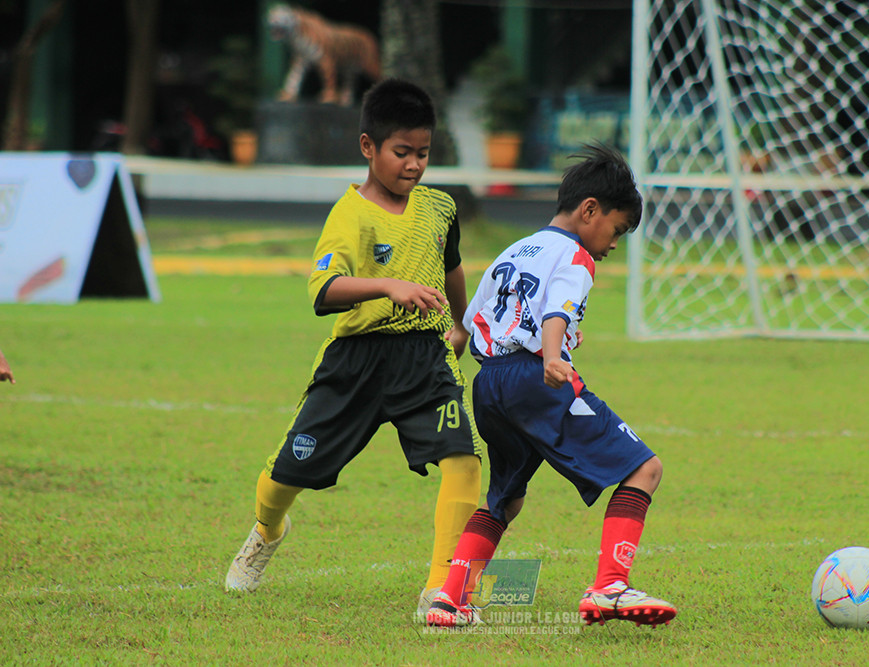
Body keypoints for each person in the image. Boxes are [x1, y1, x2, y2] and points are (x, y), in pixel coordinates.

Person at [225, 79, 483, 623]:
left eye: (423, 153)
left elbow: (452, 266)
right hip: (356, 362)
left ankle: (443, 591)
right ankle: (267, 530)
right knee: (286, 475)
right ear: (369, 146)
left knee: (462, 458)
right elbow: (323, 291)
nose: (414, 165)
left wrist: (461, 324)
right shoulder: (350, 214)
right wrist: (388, 285)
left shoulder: (440, 207)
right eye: (402, 152)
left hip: (424, 357)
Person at [426, 144, 676, 628]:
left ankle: (451, 600)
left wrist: (445, 365)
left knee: (505, 498)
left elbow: (470, 322)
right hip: (534, 377)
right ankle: (610, 587)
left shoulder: (515, 249)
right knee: (645, 469)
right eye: (617, 230)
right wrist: (554, 354)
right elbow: (558, 307)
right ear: (590, 210)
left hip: (489, 383)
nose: (614, 243)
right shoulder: (576, 256)